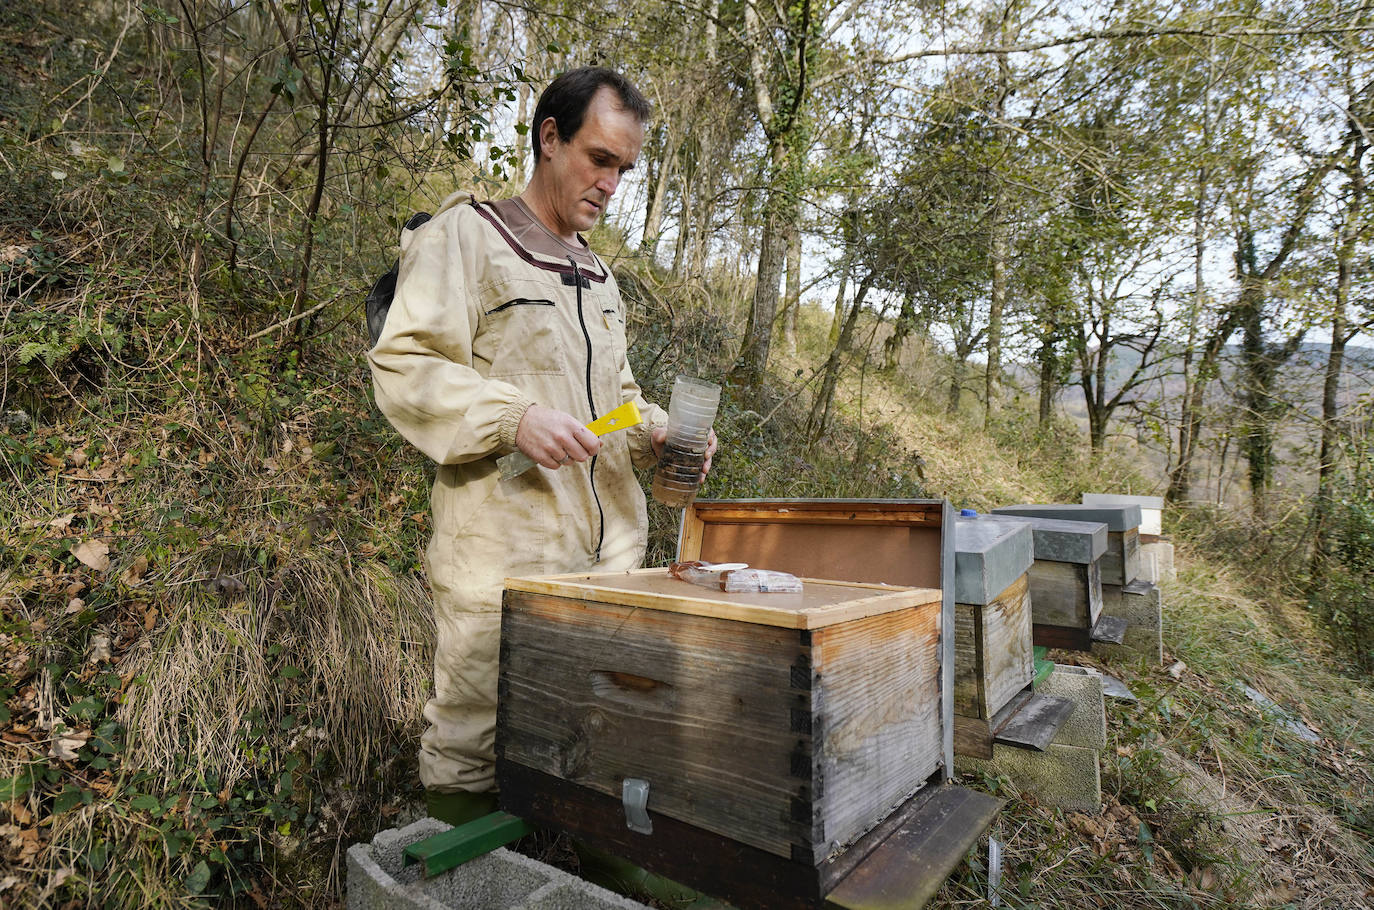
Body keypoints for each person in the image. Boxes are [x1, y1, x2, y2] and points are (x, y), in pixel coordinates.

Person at [367, 66, 715, 826]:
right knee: (472, 731)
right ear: (549, 138)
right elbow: (405, 365)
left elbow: (614, 399)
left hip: (611, 556)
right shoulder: (464, 238)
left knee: (589, 730)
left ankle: (569, 861)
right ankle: (456, 875)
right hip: (504, 553)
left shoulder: (597, 274)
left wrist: (653, 427)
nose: (612, 184)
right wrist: (511, 417)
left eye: (625, 168)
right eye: (600, 159)